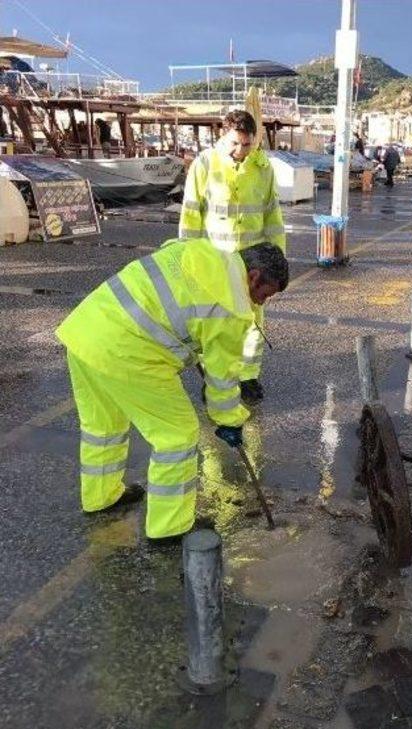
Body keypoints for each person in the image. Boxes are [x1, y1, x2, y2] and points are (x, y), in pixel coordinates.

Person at [55, 240, 288, 544]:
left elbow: (171, 275)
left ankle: (101, 496)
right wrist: (229, 421)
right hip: (128, 351)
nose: (259, 304)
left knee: (103, 426)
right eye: (263, 295)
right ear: (254, 276)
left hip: (85, 332)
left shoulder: (199, 251)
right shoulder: (232, 307)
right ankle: (170, 528)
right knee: (177, 434)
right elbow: (223, 380)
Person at [179, 109, 285, 405]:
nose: (240, 151)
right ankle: (215, 380)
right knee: (213, 326)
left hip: (253, 264)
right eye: (235, 144)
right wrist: (188, 262)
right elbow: (190, 215)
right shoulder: (204, 165)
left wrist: (276, 262)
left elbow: (272, 218)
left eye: (247, 145)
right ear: (222, 137)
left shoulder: (263, 168)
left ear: (254, 141)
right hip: (215, 263)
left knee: (253, 324)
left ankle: (248, 377)